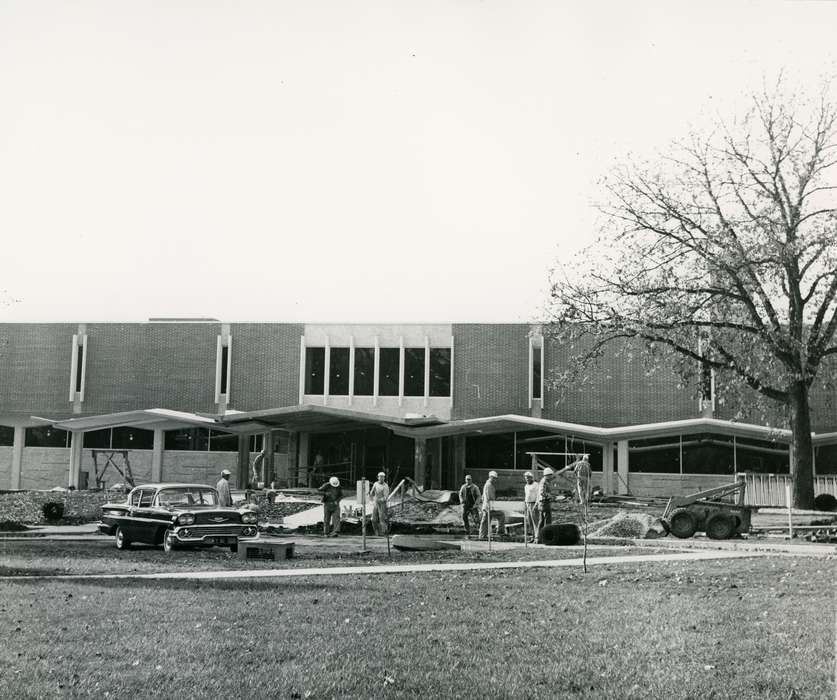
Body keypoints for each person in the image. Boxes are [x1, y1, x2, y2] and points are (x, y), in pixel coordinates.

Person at [536, 467, 557, 543]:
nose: (551, 476)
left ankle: (539, 538)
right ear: (547, 475)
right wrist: (550, 496)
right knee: (547, 521)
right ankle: (545, 538)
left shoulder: (545, 481)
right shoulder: (544, 482)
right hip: (544, 503)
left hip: (542, 503)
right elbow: (542, 492)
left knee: (541, 521)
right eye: (550, 475)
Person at [458, 475, 481, 539]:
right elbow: (460, 494)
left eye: (469, 479)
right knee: (464, 517)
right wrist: (461, 500)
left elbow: (479, 496)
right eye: (467, 479)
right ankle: (467, 530)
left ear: (471, 480)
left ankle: (480, 530)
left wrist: (476, 504)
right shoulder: (463, 487)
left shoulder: (475, 487)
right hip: (466, 505)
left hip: (473, 505)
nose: (468, 480)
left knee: (476, 518)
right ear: (465, 480)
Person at [478, 471, 499, 540]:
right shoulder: (489, 485)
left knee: (486, 521)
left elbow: (483, 497)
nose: (495, 480)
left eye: (496, 478)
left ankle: (483, 535)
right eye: (494, 478)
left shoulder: (488, 484)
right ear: (491, 477)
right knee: (485, 521)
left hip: (487, 506)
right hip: (488, 506)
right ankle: (482, 536)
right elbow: (490, 497)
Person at [368, 472, 390, 536]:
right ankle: (376, 532)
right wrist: (370, 494)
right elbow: (372, 492)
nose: (381, 478)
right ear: (378, 477)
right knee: (373, 519)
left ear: (384, 478)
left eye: (382, 477)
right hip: (376, 503)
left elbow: (385, 497)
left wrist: (380, 500)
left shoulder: (385, 486)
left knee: (382, 519)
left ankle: (383, 532)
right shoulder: (375, 484)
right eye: (380, 477)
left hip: (382, 504)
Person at [523, 471, 538, 543]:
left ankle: (537, 538)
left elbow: (538, 495)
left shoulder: (536, 485)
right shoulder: (526, 486)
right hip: (527, 504)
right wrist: (525, 505)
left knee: (535, 521)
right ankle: (533, 536)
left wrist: (536, 504)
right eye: (526, 478)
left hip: (533, 504)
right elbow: (526, 496)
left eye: (529, 477)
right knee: (530, 521)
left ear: (532, 478)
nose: (527, 479)